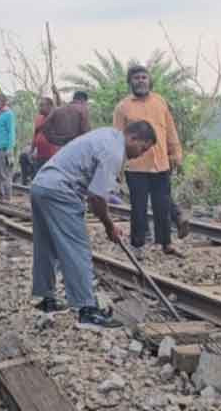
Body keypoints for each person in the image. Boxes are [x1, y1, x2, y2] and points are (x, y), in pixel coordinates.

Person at [30, 122, 158, 329]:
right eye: (143, 148)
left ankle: (47, 300)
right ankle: (87, 311)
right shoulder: (115, 152)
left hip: (41, 185)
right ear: (133, 138)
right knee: (77, 249)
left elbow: (96, 193)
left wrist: (108, 222)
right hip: (61, 190)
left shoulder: (106, 135)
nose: (141, 154)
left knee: (46, 245)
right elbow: (96, 198)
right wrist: (109, 226)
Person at [113, 64, 189, 259]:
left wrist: (176, 154)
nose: (140, 80)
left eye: (144, 77)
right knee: (138, 207)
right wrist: (117, 167)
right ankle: (137, 246)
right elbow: (116, 138)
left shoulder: (160, 102)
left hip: (161, 163)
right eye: (136, 77)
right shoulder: (123, 107)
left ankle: (166, 244)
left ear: (149, 81)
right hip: (135, 166)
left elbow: (170, 130)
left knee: (162, 205)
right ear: (130, 81)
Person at [30, 97, 58, 181]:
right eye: (39, 105)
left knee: (49, 179)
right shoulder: (38, 118)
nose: (40, 108)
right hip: (39, 155)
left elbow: (59, 107)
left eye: (42, 105)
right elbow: (35, 134)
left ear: (49, 106)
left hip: (52, 156)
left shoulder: (55, 117)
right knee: (37, 178)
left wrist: (56, 94)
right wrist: (31, 150)